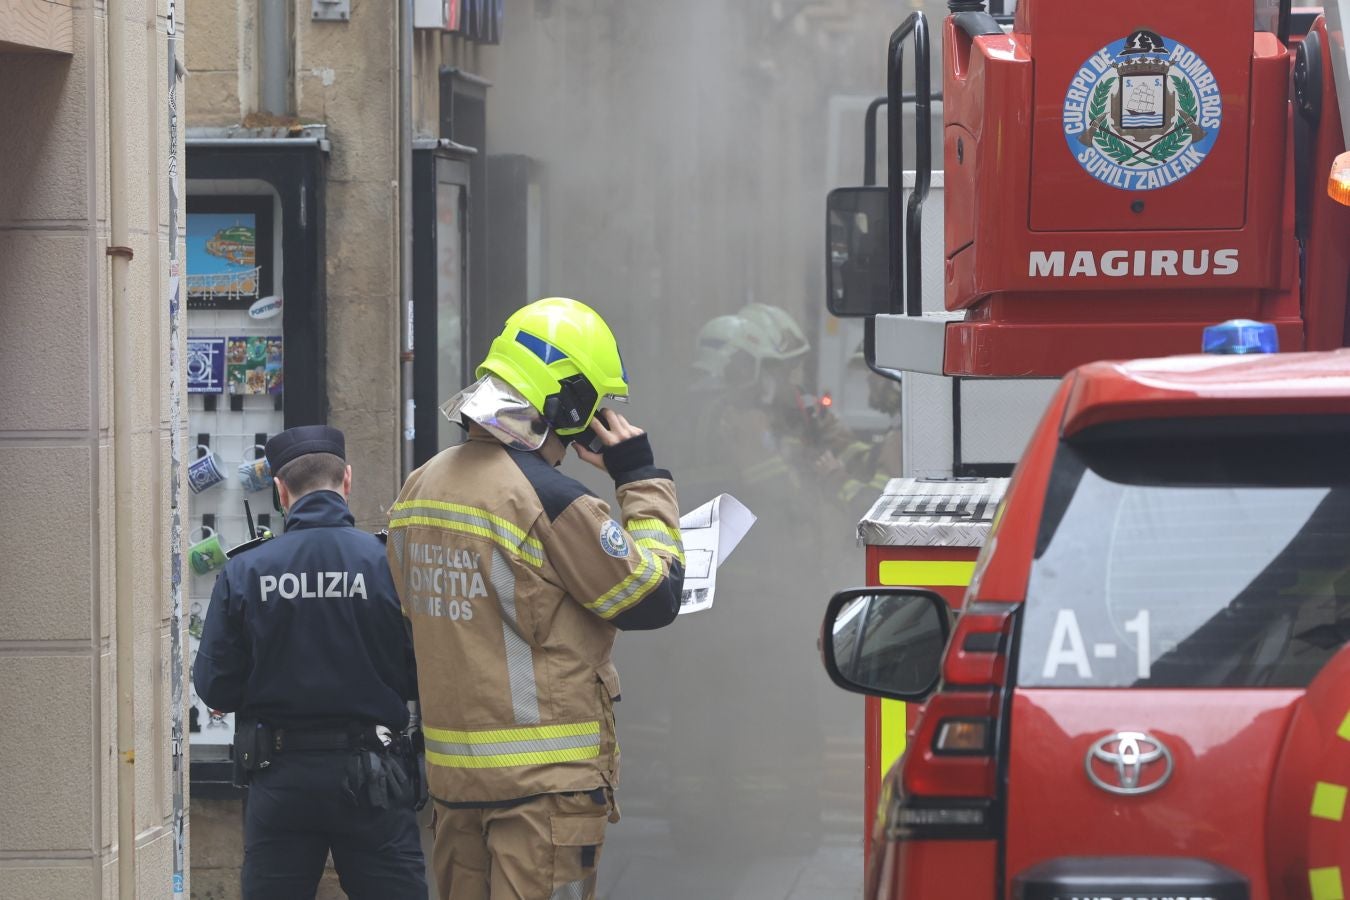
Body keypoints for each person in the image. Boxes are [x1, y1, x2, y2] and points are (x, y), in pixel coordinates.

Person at [387, 296, 684, 900]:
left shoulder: (423, 484)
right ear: (570, 405)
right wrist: (639, 478)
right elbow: (654, 595)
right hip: (544, 790)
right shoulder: (551, 500)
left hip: (455, 780)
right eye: (594, 405)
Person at [192, 426, 426, 900]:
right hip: (375, 776)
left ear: (280, 491)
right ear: (347, 481)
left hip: (280, 776)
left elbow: (215, 686)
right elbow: (425, 671)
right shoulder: (389, 564)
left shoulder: (246, 570)